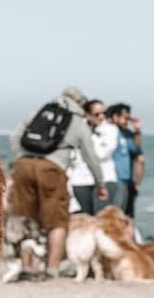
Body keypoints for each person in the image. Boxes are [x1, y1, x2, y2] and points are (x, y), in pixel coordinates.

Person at [10, 86, 107, 277]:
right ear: (80, 103)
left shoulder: (40, 112)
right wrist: (100, 182)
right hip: (52, 169)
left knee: (26, 217)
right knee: (58, 221)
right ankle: (52, 269)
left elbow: (15, 136)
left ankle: (26, 266)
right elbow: (90, 155)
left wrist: (21, 156)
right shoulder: (78, 122)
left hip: (23, 165)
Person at [68, 100, 119, 215]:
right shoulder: (77, 129)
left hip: (105, 178)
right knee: (84, 217)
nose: (101, 117)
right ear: (87, 114)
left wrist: (86, 141)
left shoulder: (111, 129)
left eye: (103, 113)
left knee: (101, 216)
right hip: (80, 179)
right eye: (97, 114)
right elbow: (72, 154)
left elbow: (102, 153)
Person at [104, 103, 144, 216]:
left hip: (127, 179)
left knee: (127, 213)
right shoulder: (108, 132)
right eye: (125, 118)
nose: (127, 121)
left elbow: (137, 150)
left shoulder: (127, 134)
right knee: (116, 213)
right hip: (115, 178)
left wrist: (137, 131)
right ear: (115, 117)